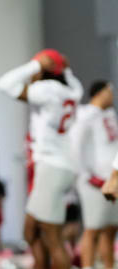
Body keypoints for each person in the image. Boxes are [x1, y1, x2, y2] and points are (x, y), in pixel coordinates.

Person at [0, 49, 83, 269]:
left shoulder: (47, 89)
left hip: (52, 167)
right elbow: (71, 80)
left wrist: (34, 66)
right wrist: (64, 67)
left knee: (52, 237)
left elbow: (4, 84)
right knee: (31, 230)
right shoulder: (73, 89)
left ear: (44, 69)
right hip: (60, 166)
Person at [70, 81, 118, 269]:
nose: (112, 96)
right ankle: (87, 266)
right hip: (93, 181)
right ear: (98, 93)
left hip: (112, 178)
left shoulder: (109, 115)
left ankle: (109, 266)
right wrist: (86, 175)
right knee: (92, 228)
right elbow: (75, 147)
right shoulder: (84, 115)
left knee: (111, 228)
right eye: (109, 91)